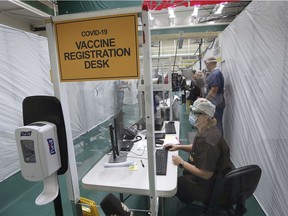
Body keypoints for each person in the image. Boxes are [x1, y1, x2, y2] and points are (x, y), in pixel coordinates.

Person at [165, 98, 232, 205]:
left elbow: (206, 174)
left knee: (178, 184)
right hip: (214, 181)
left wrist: (181, 163)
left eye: (196, 113)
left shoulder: (208, 140)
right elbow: (196, 147)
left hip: (211, 186)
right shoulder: (207, 129)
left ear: (205, 117)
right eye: (192, 111)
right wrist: (179, 147)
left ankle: (196, 201)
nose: (192, 115)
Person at [204, 57, 225, 135]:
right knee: (213, 124)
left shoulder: (215, 74)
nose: (206, 66)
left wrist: (205, 100)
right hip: (215, 103)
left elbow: (214, 90)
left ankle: (219, 144)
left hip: (216, 103)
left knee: (217, 124)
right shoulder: (214, 73)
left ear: (210, 64)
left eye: (207, 64)